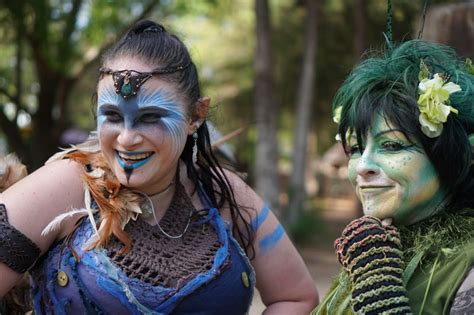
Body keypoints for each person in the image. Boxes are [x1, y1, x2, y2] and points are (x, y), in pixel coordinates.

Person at [0, 20, 318, 314]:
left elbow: (296, 296)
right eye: (111, 115)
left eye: (151, 117)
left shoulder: (223, 194)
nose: (126, 138)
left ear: (196, 115)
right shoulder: (68, 185)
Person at [312, 39, 474, 314]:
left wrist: (381, 299)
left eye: (392, 145)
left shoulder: (466, 264)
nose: (362, 166)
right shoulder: (373, 248)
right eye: (355, 149)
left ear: (450, 155)